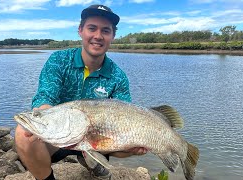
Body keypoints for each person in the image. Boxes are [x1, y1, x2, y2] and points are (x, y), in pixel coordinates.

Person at [14, 4, 147, 180]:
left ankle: (92, 161)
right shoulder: (58, 61)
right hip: (59, 137)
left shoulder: (118, 77)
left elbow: (126, 118)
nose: (98, 36)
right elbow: (46, 96)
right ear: (80, 30)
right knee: (23, 134)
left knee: (130, 145)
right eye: (92, 28)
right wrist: (43, 117)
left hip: (97, 141)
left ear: (113, 36)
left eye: (105, 31)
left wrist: (133, 144)